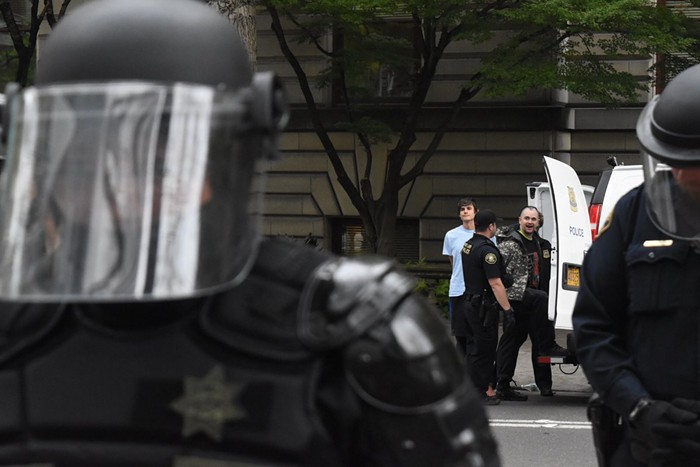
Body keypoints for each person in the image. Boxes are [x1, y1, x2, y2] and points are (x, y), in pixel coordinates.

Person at [0, 1, 501, 466]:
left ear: (222, 164)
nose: (120, 190)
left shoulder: (358, 330)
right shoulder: (13, 329)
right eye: (87, 159)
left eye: (160, 160)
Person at [573, 64, 700, 467]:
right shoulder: (633, 214)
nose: (680, 172)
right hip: (651, 444)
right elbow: (594, 329)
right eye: (670, 159)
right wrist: (640, 409)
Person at [494, 206, 568, 401]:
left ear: (538, 222)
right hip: (516, 299)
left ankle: (544, 386)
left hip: (535, 301)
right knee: (511, 341)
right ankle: (500, 383)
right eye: (526, 218)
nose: (529, 222)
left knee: (540, 341)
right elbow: (497, 270)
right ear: (519, 219)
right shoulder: (509, 243)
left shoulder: (541, 244)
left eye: (533, 219)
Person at [462, 209, 515, 406]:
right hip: (482, 307)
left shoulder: (468, 245)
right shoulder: (488, 251)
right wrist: (508, 310)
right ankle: (481, 391)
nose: (497, 228)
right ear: (491, 226)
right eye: (496, 225)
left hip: (469, 302)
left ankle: (471, 389)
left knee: (473, 349)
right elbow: (495, 283)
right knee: (484, 350)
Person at [442, 198, 479, 356]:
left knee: (476, 335)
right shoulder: (451, 235)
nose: (465, 211)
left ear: (475, 211)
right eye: (462, 209)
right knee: (460, 335)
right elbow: (453, 261)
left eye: (468, 208)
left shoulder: (484, 233)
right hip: (458, 290)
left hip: (477, 291)